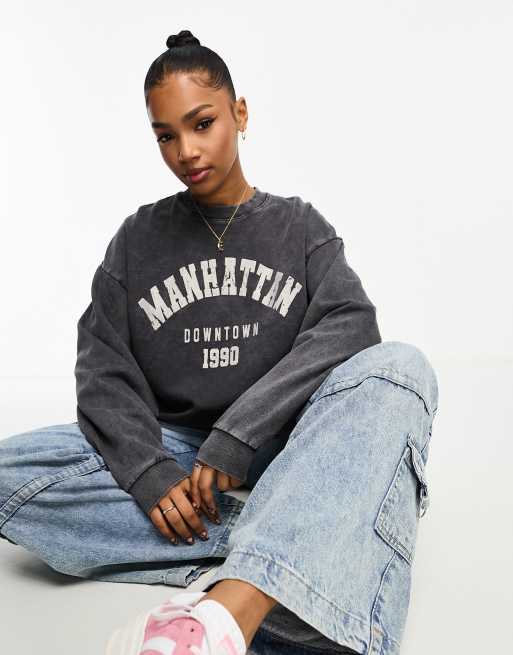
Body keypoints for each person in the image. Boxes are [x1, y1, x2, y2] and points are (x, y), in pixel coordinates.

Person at [0, 29, 439, 655]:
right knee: (10, 472)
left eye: (202, 123)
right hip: (182, 461)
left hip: (296, 449)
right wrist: (149, 472)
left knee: (401, 368)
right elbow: (103, 371)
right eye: (165, 136)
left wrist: (241, 433)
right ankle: (309, 546)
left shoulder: (299, 227)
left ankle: (246, 586)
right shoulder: (137, 240)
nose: (186, 150)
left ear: (240, 113)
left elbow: (350, 327)